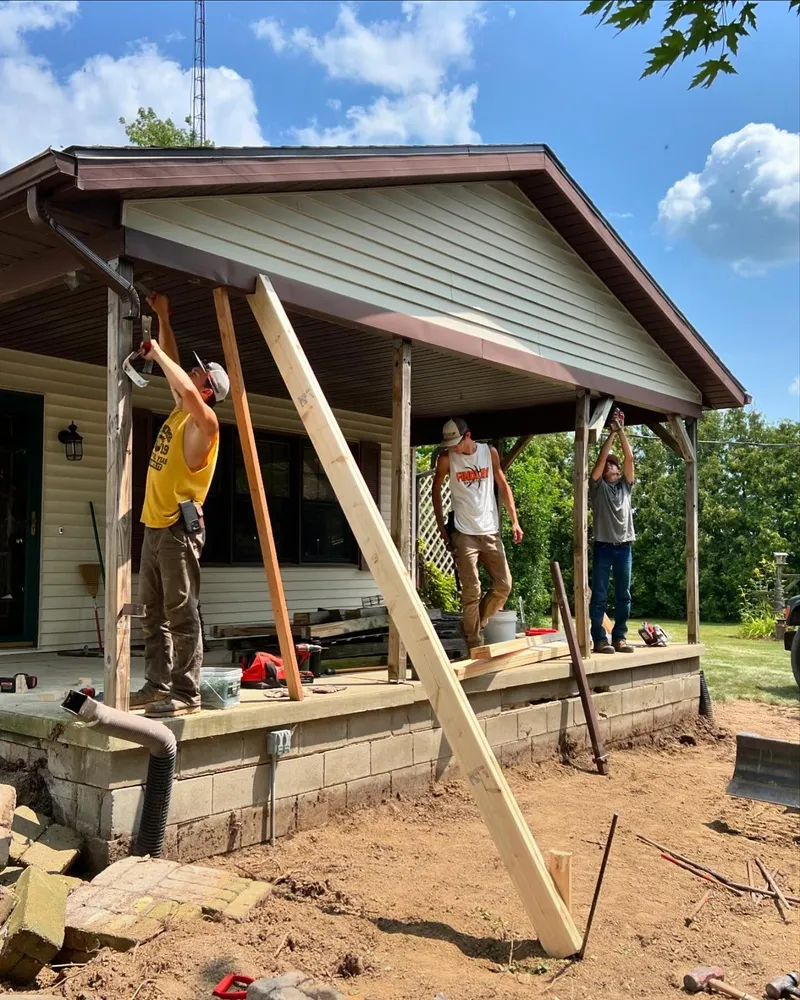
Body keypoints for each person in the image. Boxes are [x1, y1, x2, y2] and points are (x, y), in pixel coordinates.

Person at [129, 292, 230, 717]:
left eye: (197, 373)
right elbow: (177, 375)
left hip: (176, 530)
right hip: (154, 526)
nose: (189, 372)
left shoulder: (205, 424)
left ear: (208, 389)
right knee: (152, 613)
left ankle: (185, 692)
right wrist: (162, 318)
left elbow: (183, 384)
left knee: (181, 611)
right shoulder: (180, 412)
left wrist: (154, 352)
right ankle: (156, 684)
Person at [432, 418, 523, 652]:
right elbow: (435, 489)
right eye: (449, 444)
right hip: (464, 533)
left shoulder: (488, 452)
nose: (453, 448)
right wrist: (442, 527)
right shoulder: (446, 459)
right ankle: (474, 643)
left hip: (490, 530)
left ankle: (474, 623)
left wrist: (515, 521)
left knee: (504, 585)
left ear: (468, 436)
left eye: (456, 442)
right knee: (471, 590)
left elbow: (503, 484)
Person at [589, 410, 635, 654]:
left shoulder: (626, 486)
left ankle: (620, 637)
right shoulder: (597, 487)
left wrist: (622, 431)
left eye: (612, 464)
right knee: (599, 594)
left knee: (623, 595)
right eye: (607, 464)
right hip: (603, 546)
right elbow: (600, 459)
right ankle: (599, 639)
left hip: (624, 546)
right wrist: (611, 435)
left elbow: (629, 458)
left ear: (617, 470)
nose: (609, 465)